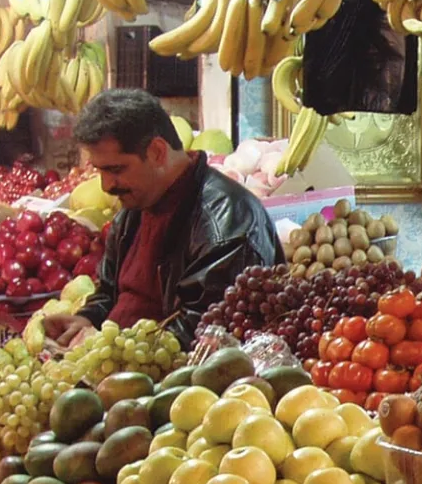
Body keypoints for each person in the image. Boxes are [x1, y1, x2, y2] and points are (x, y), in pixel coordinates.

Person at [37, 89, 277, 348]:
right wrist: (88, 320)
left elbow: (204, 334)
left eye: (116, 169)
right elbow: (109, 291)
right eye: (100, 170)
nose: (106, 186)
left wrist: (119, 351)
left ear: (157, 152)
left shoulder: (227, 224)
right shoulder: (137, 206)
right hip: (123, 369)